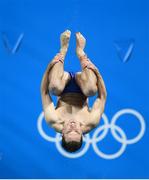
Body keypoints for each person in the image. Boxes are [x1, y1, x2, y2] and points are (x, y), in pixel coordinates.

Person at [41, 30, 107, 152]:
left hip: (63, 83)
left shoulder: (53, 119)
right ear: (82, 134)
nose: (72, 126)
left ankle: (63, 50)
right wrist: (96, 71)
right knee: (92, 90)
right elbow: (102, 97)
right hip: (83, 84)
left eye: (69, 131)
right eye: (76, 131)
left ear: (62, 134)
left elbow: (44, 92)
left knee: (54, 88)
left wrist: (50, 66)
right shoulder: (91, 121)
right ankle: (81, 52)